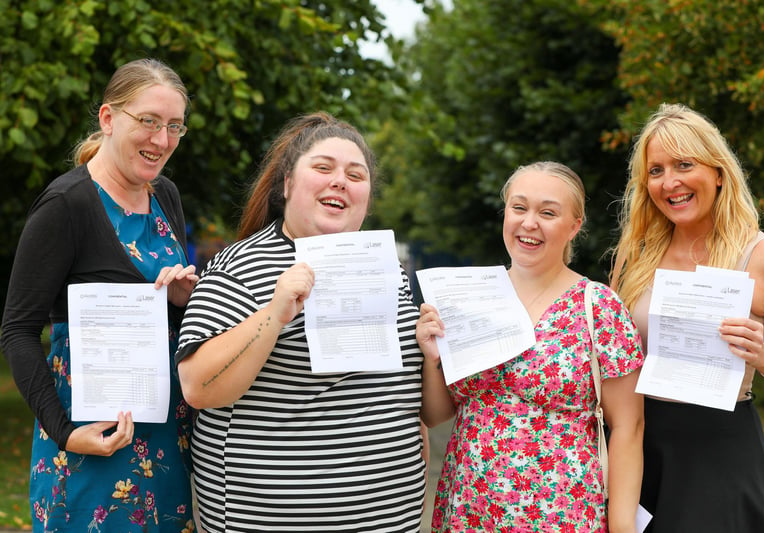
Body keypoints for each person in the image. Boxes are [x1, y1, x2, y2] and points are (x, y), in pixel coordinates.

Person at [175, 112, 426, 532]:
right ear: (287, 185)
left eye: (355, 174)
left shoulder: (390, 271)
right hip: (270, 520)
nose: (340, 181)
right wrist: (273, 315)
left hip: (388, 519)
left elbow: (404, 396)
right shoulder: (238, 266)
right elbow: (197, 387)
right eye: (323, 167)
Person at [1, 58, 198, 532]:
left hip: (169, 437)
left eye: (174, 126)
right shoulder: (66, 205)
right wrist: (65, 433)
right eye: (148, 121)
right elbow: (18, 331)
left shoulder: (165, 194)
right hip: (93, 442)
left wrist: (182, 299)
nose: (162, 140)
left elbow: (172, 319)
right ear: (109, 119)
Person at [417, 161, 645, 532]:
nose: (529, 223)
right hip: (468, 512)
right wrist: (432, 360)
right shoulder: (470, 298)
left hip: (562, 516)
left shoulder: (599, 307)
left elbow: (629, 427)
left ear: (574, 226)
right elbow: (436, 413)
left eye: (548, 212)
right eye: (519, 207)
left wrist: (622, 526)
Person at [610, 102, 764, 533]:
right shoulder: (635, 257)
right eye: (655, 170)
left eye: (683, 164)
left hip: (722, 449)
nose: (669, 182)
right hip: (638, 446)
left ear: (718, 172)